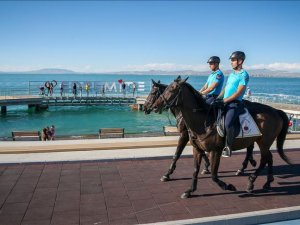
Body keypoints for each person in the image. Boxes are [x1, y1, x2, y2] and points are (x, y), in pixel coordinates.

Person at [214, 51, 249, 157]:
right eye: (231, 60)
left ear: (240, 61)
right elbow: (226, 88)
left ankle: (228, 147)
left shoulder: (244, 75)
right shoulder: (232, 74)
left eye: (233, 60)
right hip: (225, 101)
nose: (231, 62)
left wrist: (224, 101)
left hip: (235, 103)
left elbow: (238, 92)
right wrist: (218, 98)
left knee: (228, 123)